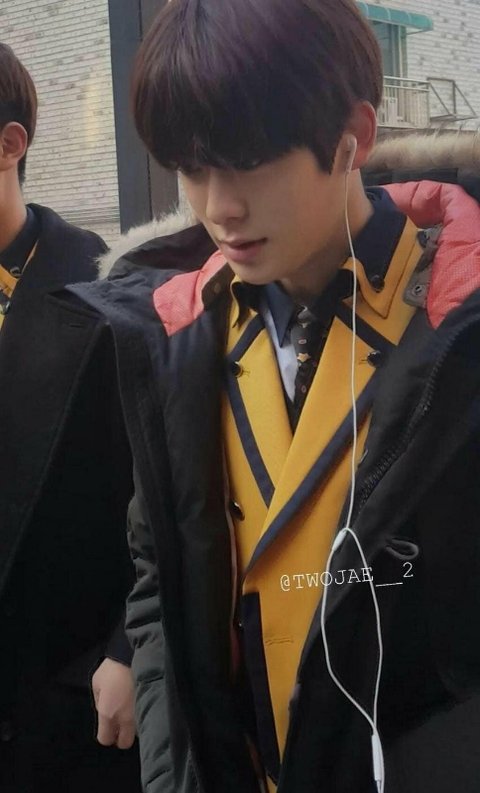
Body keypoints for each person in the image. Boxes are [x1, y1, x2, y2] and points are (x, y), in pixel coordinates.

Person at [57, 0, 480, 791]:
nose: (219, 206)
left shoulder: (458, 323)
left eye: (250, 160)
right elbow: (159, 576)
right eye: (191, 167)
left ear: (353, 135)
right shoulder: (177, 329)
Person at [0, 42, 141, 792]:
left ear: (10, 144)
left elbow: (166, 489)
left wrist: (129, 647)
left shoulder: (103, 290)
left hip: (64, 698)